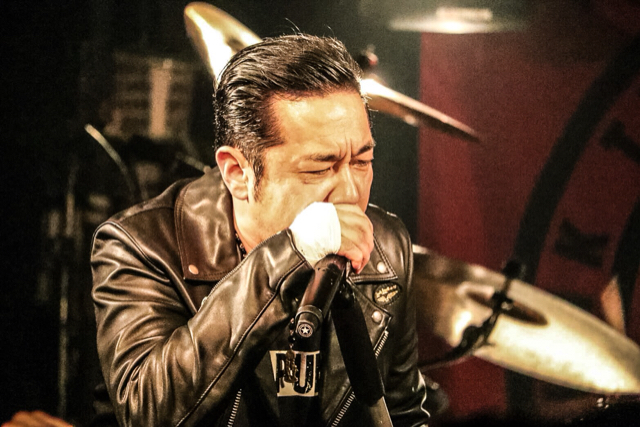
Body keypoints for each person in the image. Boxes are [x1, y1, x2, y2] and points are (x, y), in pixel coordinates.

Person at [91, 34, 430, 426]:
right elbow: (147, 411)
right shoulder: (141, 245)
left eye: (361, 162)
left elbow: (403, 414)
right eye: (319, 168)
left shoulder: (387, 247)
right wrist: (289, 255)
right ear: (238, 173)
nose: (351, 194)